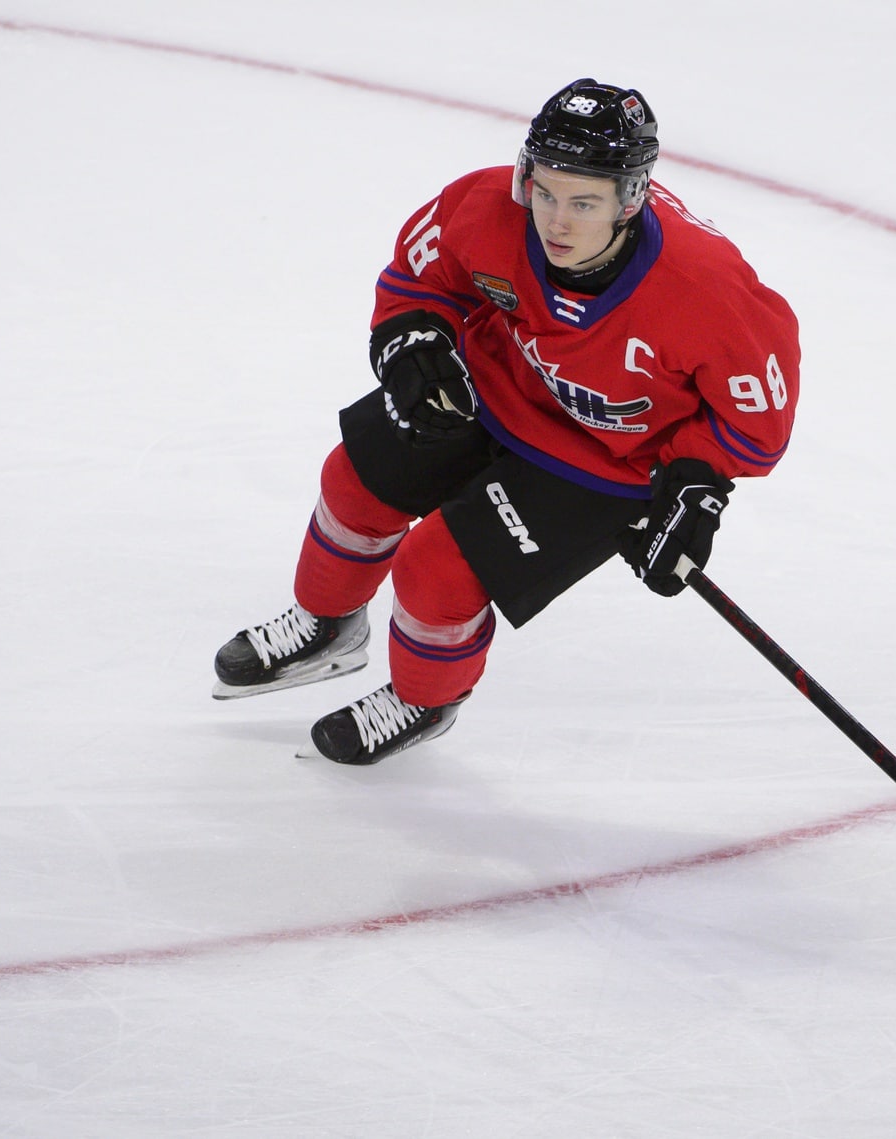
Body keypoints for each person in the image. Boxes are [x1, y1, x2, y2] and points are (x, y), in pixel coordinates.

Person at [212, 78, 800, 764]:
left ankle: (423, 699)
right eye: (545, 192)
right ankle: (326, 626)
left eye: (584, 203)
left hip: (608, 460)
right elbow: (418, 280)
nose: (556, 222)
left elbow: (756, 427)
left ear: (631, 199)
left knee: (436, 569)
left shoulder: (707, 291)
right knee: (355, 480)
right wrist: (415, 341)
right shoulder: (487, 206)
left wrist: (694, 483)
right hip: (497, 384)